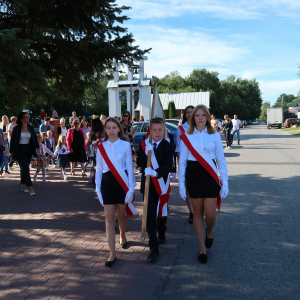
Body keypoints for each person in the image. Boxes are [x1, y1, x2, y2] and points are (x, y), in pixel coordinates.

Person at [178, 105, 229, 264]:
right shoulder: (187, 135)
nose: (200, 118)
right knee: (197, 214)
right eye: (197, 115)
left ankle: (210, 230)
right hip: (193, 175)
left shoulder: (214, 135)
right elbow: (182, 162)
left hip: (210, 176)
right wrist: (181, 183)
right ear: (192, 117)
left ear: (207, 117)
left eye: (203, 115)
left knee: (211, 214)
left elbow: (220, 159)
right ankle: (202, 250)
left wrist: (225, 181)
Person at [95, 117, 136, 267]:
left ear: (119, 128)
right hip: (107, 184)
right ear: (105, 130)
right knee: (109, 218)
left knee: (122, 215)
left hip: (122, 183)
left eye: (114, 127)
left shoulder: (125, 145)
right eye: (108, 128)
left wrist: (131, 188)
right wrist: (98, 189)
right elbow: (99, 169)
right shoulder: (101, 146)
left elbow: (130, 168)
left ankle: (123, 236)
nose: (111, 130)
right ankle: (112, 253)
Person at [137, 117, 175, 263]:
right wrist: (146, 154)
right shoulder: (144, 144)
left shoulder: (168, 146)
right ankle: (153, 248)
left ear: (164, 130)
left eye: (160, 130)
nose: (157, 133)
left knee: (161, 212)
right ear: (150, 130)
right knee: (149, 216)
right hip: (148, 186)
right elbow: (139, 162)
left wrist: (156, 172)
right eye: (154, 130)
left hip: (161, 183)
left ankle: (162, 230)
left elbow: (168, 166)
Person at [10, 112, 39, 196]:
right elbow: (12, 141)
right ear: (22, 119)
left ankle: (23, 184)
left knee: (24, 167)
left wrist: (37, 146)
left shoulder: (30, 127)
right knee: (25, 167)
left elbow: (34, 138)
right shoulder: (16, 128)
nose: (28, 118)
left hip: (28, 150)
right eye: (26, 117)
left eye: (28, 117)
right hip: (19, 150)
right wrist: (11, 151)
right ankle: (30, 186)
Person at [176, 105, 194, 224]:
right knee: (188, 188)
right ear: (184, 115)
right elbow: (178, 148)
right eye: (187, 112)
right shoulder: (181, 129)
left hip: (198, 162)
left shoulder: (201, 127)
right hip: (186, 162)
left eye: (192, 112)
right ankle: (192, 212)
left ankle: (198, 210)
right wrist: (179, 165)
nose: (190, 114)